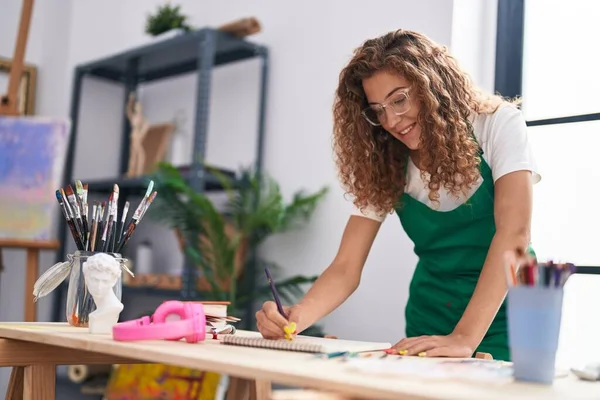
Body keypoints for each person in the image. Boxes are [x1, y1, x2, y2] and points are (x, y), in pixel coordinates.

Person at [255, 29, 540, 361]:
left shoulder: (496, 124)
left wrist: (464, 337)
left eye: (399, 99)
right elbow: (347, 266)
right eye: (377, 110)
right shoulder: (385, 158)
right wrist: (298, 316)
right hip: (432, 314)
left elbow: (514, 235)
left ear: (431, 84)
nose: (391, 120)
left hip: (510, 314)